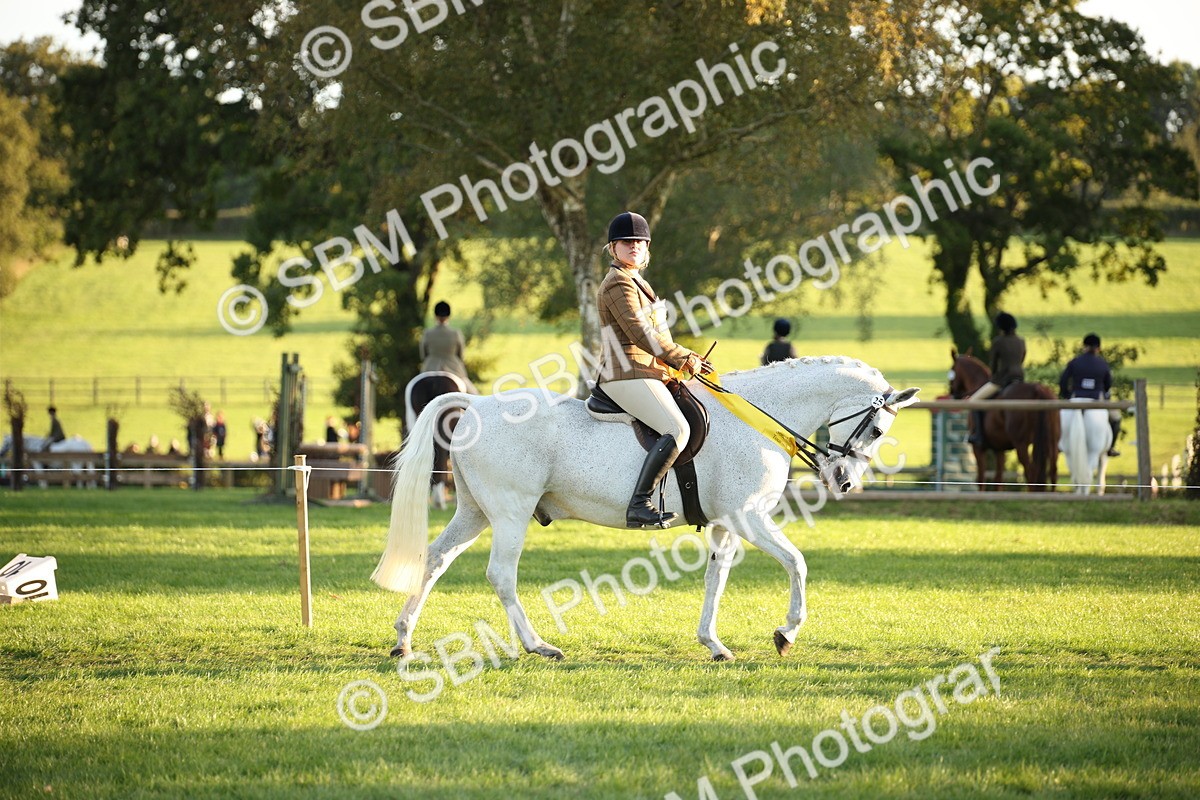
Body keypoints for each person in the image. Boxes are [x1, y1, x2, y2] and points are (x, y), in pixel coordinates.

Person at [595, 211, 714, 528]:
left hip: (647, 371)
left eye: (640, 241)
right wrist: (681, 356)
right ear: (613, 247)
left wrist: (685, 362)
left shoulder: (640, 283)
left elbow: (660, 335)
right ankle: (639, 503)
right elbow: (639, 334)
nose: (634, 246)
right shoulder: (617, 283)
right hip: (625, 372)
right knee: (677, 430)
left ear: (647, 248)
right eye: (626, 241)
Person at [966, 312, 1026, 445]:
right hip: (1020, 379)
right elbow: (1022, 359)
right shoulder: (1021, 341)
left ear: (1000, 327)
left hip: (1002, 380)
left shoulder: (998, 341)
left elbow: (993, 364)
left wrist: (993, 376)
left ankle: (978, 435)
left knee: (973, 401)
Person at [1060, 333, 1121, 456]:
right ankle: (1111, 448)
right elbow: (1108, 384)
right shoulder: (1103, 364)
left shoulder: (1075, 362)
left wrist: (1066, 395)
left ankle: (1059, 443)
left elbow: (1063, 380)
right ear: (1098, 348)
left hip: (1076, 396)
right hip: (1096, 398)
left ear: (1084, 347)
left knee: (1057, 417)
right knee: (1116, 418)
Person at [420, 301, 477, 392]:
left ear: (435, 316)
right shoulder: (455, 333)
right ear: (448, 316)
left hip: (430, 368)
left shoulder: (427, 333)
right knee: (474, 394)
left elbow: (423, 355)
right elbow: (461, 355)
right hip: (453, 368)